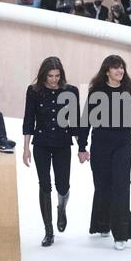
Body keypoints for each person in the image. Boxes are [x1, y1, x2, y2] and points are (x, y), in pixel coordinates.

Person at [78, 55, 131, 251]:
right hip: (100, 144)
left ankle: (121, 233)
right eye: (115, 68)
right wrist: (82, 147)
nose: (120, 71)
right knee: (102, 187)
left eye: (122, 68)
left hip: (123, 145)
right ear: (107, 71)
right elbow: (85, 121)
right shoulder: (96, 93)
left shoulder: (129, 91)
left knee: (121, 186)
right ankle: (102, 223)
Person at [23, 57, 79, 247]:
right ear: (43, 75)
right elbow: (29, 119)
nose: (54, 79)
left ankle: (61, 207)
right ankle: (48, 230)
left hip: (63, 143)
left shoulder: (71, 91)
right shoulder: (34, 91)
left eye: (57, 76)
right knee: (45, 184)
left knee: (63, 185)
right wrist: (25, 148)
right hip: (41, 143)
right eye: (50, 76)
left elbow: (75, 122)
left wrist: (82, 147)